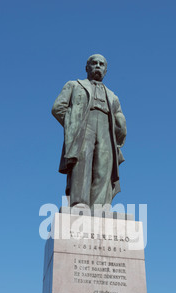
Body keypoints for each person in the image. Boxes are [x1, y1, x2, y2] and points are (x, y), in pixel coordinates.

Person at [52, 54, 127, 209]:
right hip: (84, 125)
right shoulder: (74, 85)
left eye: (101, 64)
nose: (98, 66)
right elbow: (58, 108)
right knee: (82, 162)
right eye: (94, 63)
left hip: (106, 128)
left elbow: (117, 113)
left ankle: (99, 206)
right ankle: (80, 202)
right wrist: (73, 124)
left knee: (104, 166)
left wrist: (121, 123)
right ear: (87, 67)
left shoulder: (112, 95)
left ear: (106, 70)